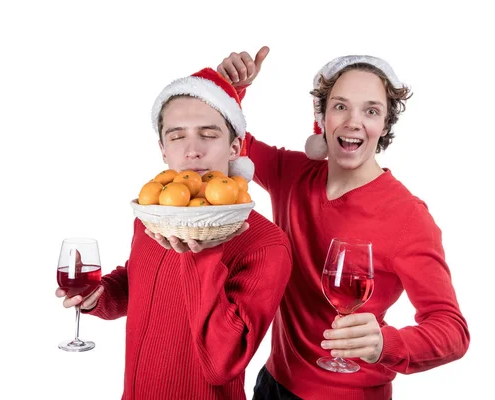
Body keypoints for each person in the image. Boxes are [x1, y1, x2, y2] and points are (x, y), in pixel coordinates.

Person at [215, 47, 470, 399]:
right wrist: (230, 89)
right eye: (340, 106)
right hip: (272, 383)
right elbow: (231, 145)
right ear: (322, 118)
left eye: (371, 110)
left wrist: (386, 343)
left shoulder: (408, 216)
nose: (353, 121)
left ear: (384, 125)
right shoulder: (291, 173)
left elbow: (452, 330)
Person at [56, 67, 292, 399]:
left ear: (236, 147)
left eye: (208, 134)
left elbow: (222, 365)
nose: (192, 150)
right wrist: (99, 296)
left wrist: (204, 253)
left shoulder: (267, 243)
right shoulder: (151, 215)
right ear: (163, 149)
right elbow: (137, 282)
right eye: (177, 135)